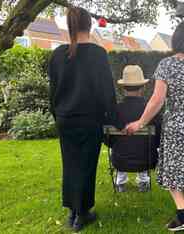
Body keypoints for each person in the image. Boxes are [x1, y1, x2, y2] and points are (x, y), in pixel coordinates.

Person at [125, 20, 184, 232]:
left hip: (177, 125)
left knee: (171, 169)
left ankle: (183, 214)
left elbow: (157, 100)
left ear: (177, 39)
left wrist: (140, 122)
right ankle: (183, 215)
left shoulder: (167, 65)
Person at [48, 7, 120, 232]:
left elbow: (53, 91)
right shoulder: (98, 54)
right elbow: (107, 93)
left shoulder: (58, 54)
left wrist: (57, 115)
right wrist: (114, 121)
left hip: (65, 119)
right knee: (86, 166)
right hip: (90, 120)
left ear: (70, 25)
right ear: (89, 25)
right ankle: (82, 214)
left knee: (70, 165)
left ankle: (72, 211)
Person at [106, 65, 161, 193]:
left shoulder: (115, 110)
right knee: (144, 146)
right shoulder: (151, 110)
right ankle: (144, 181)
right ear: (142, 87)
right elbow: (158, 138)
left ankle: (120, 182)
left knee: (119, 146)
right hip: (146, 160)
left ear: (123, 88)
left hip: (120, 160)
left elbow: (108, 140)